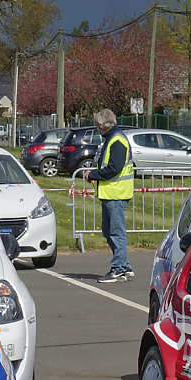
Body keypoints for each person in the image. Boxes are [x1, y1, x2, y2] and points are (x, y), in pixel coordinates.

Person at [81, 108, 134, 282]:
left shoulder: (117, 140)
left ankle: (118, 268)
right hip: (110, 192)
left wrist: (93, 175)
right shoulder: (111, 138)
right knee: (108, 231)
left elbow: (114, 168)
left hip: (116, 193)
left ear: (104, 125)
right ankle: (124, 265)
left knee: (116, 232)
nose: (97, 128)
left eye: (98, 125)